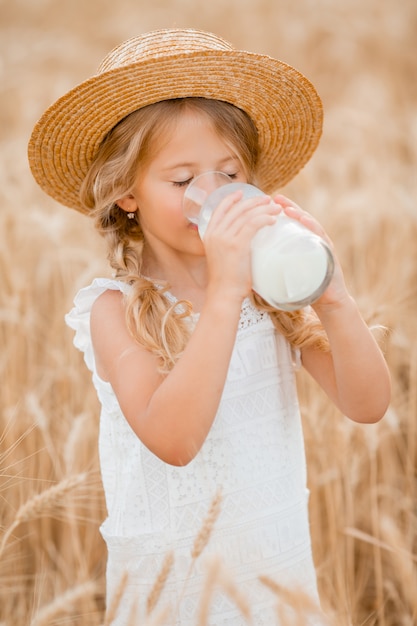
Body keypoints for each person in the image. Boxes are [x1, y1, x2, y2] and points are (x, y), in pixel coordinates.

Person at [28, 28, 391, 626]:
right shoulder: (114, 311)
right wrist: (224, 293)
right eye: (182, 180)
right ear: (126, 192)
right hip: (176, 586)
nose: (213, 194)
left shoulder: (267, 290)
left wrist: (334, 300)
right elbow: (174, 440)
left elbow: (368, 404)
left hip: (273, 571)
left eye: (230, 174)